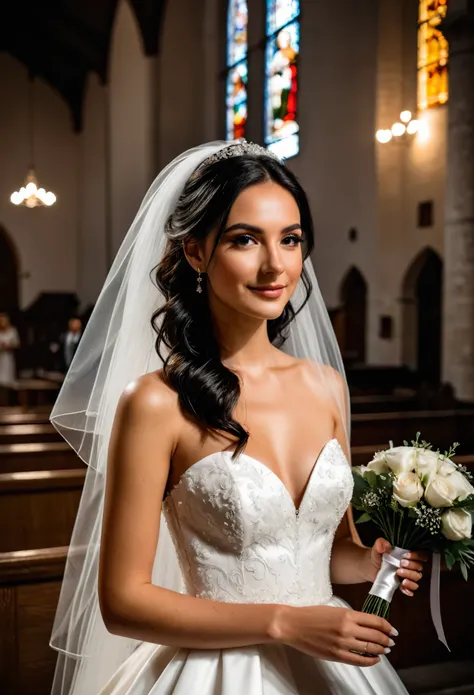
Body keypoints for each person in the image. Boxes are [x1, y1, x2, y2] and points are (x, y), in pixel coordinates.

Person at [48, 141, 427, 695]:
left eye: (291, 239)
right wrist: (284, 622)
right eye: (245, 239)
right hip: (217, 674)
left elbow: (322, 551)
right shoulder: (155, 403)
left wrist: (371, 562)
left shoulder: (326, 386)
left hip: (330, 666)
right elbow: (124, 604)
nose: (276, 264)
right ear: (196, 252)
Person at [0, 312, 20, 387]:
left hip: (8, 357)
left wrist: (9, 346)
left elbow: (17, 344)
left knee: (8, 378)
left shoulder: (12, 331)